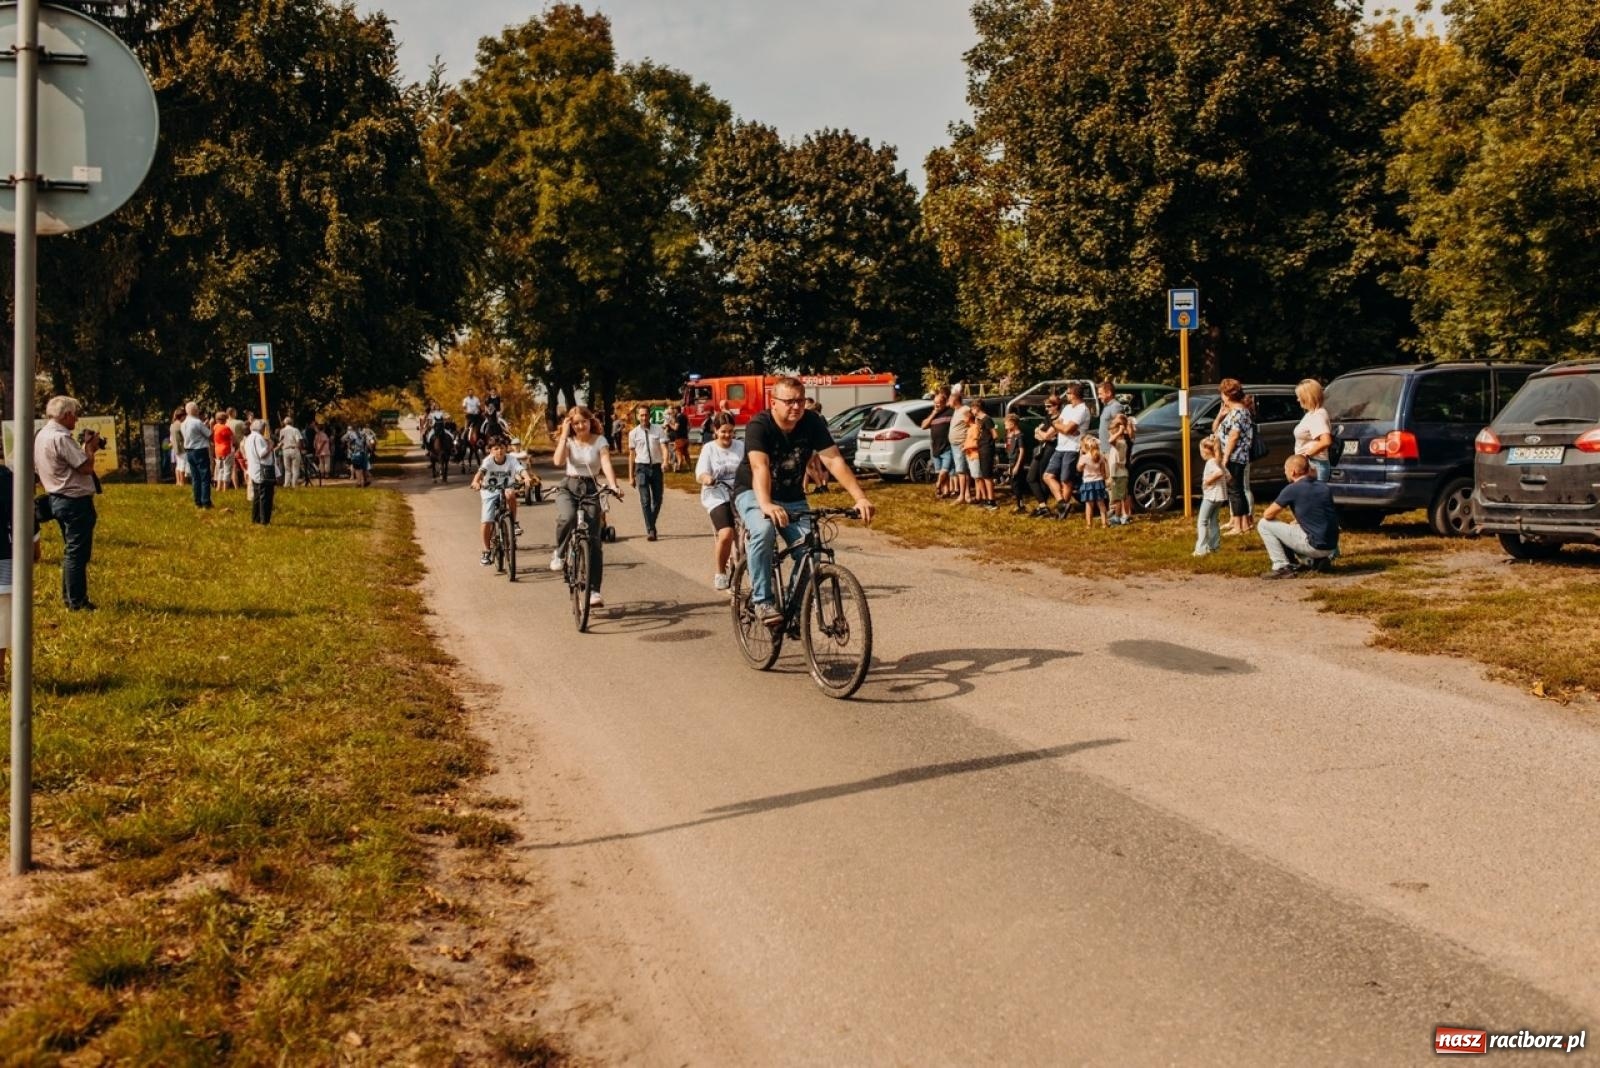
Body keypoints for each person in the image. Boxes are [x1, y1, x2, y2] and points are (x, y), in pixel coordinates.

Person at [733, 376, 876, 628]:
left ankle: (796, 610)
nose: (796, 407)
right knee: (763, 531)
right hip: (754, 492)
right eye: (789, 402)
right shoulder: (760, 424)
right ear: (773, 402)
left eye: (800, 400)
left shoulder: (812, 422)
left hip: (792, 497)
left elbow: (833, 460)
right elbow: (759, 466)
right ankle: (762, 601)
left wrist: (860, 498)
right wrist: (765, 504)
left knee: (812, 551)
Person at [549, 405, 623, 608]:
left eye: (584, 421)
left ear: (591, 421)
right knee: (568, 516)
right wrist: (564, 434)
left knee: (594, 541)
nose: (581, 425)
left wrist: (614, 485)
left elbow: (606, 463)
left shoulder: (600, 441)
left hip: (591, 488)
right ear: (570, 425)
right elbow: (558, 461)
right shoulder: (569, 440)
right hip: (569, 486)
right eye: (576, 423)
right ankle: (560, 552)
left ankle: (594, 591)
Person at [35, 396, 101, 611]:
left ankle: (70, 597)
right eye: (75, 414)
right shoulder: (61, 438)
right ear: (66, 415)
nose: (77, 418)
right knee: (77, 553)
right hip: (74, 501)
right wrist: (89, 448)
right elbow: (84, 467)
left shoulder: (42, 435)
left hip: (56, 497)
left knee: (71, 550)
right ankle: (77, 602)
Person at [1258, 454, 1340, 578]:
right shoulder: (1323, 487)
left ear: (1293, 471)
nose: (1285, 473)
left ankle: (1282, 566)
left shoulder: (1292, 489)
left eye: (1285, 470)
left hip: (1314, 545)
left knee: (1264, 524)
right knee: (1293, 527)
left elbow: (1268, 514)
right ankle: (1316, 561)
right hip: (1331, 546)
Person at [0, 456, 41, 674]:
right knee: (2, 618)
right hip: (4, 560)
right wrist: (35, 547)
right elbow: (25, 517)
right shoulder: (8, 480)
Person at [696, 413, 745, 590]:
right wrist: (707, 478)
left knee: (753, 532)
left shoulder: (741, 446)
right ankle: (720, 573)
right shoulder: (709, 448)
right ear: (715, 430)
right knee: (726, 533)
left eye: (731, 431)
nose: (727, 435)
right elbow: (700, 473)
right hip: (717, 495)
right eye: (723, 431)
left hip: (740, 494)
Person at [472, 435, 530, 565]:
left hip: (506, 488)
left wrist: (526, 478)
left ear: (506, 448)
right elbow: (480, 473)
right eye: (496, 448)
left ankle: (513, 523)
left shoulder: (511, 459)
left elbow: (521, 469)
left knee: (510, 495)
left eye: (502, 448)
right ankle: (486, 551)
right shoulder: (488, 461)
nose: (499, 451)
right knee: (487, 521)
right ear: (491, 450)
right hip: (489, 490)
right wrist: (476, 482)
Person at [1214, 379, 1255, 534]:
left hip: (1235, 457)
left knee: (1235, 491)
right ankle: (1244, 524)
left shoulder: (1238, 411)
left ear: (1227, 395)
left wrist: (1225, 458)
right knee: (1237, 490)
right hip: (1237, 456)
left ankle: (1237, 526)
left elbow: (1234, 435)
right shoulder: (1237, 410)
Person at [1043, 383, 1090, 516]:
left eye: (1068, 393)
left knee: (1066, 480)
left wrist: (1060, 426)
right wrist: (1059, 426)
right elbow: (1060, 425)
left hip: (1073, 448)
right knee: (1047, 476)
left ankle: (1062, 511)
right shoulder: (1068, 408)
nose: (1066, 395)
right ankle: (1062, 503)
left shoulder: (1082, 410)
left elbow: (1068, 429)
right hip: (1061, 446)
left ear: (1074, 394)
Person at [627, 405, 667, 541]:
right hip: (641, 468)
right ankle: (651, 530)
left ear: (650, 415)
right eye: (641, 415)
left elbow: (664, 447)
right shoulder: (633, 433)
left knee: (658, 499)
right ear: (638, 417)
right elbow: (631, 455)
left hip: (656, 468)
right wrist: (630, 476)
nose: (644, 418)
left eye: (646, 415)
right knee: (645, 501)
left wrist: (665, 461)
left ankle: (651, 524)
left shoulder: (658, 430)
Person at [1293, 378, 1335, 482]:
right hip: (1312, 464)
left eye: (1299, 396)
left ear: (1307, 397)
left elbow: (1326, 441)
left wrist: (1306, 455)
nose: (1298, 400)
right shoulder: (1311, 414)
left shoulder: (1317, 415)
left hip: (1315, 465)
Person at [1193, 436, 1229, 556]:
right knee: (1213, 521)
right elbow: (1228, 476)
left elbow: (1219, 473)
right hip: (1220, 496)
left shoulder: (1211, 462)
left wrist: (1208, 481)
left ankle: (1201, 549)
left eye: (1201, 451)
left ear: (1206, 451)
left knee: (1202, 522)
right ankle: (1214, 546)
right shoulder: (1219, 461)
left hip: (1211, 496)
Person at [963, 395, 997, 509]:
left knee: (987, 476)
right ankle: (987, 499)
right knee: (984, 475)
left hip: (987, 449)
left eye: (972, 408)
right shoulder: (979, 420)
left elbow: (995, 434)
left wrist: (987, 443)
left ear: (977, 408)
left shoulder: (987, 419)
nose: (972, 411)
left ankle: (992, 501)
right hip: (981, 449)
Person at [921, 388, 955, 499]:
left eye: (939, 403)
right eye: (935, 403)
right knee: (939, 471)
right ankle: (945, 491)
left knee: (944, 471)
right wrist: (934, 412)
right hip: (935, 447)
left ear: (945, 402)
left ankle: (938, 485)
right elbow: (923, 426)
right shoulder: (933, 413)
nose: (937, 405)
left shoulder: (950, 412)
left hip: (947, 447)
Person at [243, 419, 277, 525]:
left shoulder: (249, 438)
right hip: (263, 469)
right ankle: (264, 520)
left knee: (258, 496)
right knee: (266, 496)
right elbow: (262, 453)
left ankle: (256, 518)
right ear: (261, 428)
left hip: (255, 469)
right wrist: (270, 446)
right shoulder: (258, 438)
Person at [1077, 435, 1110, 528]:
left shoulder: (1084, 457)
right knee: (1101, 503)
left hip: (1088, 483)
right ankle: (1104, 523)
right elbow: (1103, 472)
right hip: (1099, 482)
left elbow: (1079, 469)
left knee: (1089, 504)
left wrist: (1080, 455)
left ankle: (1089, 524)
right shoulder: (1101, 456)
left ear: (1085, 447)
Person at [1107, 413, 1134, 525]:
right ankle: (1124, 516)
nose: (1110, 432)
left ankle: (1118, 517)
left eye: (1112, 430)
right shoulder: (1120, 443)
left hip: (1119, 474)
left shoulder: (1120, 443)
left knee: (1118, 497)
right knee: (1121, 496)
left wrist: (1119, 431)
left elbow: (1110, 440)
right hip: (1118, 474)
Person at [946, 385, 972, 503]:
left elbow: (971, 426)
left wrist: (966, 442)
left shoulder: (965, 410)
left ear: (955, 400)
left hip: (961, 445)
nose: (948, 402)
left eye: (950, 399)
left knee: (961, 471)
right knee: (962, 471)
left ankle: (962, 495)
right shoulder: (956, 411)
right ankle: (966, 494)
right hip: (954, 445)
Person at [1096, 380, 1126, 448]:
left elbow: (1120, 429)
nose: (1099, 396)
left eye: (1100, 394)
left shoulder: (1115, 406)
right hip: (1104, 449)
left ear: (1109, 393)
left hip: (1112, 449)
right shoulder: (1106, 406)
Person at [212, 411, 236, 492]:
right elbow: (233, 438)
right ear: (225, 419)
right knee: (227, 469)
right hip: (226, 450)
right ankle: (225, 488)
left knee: (220, 469)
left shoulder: (215, 427)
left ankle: (218, 487)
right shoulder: (226, 428)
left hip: (218, 451)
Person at [278, 417, 304, 488]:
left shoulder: (282, 431)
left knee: (287, 469)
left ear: (284, 423)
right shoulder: (295, 430)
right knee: (295, 469)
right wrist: (300, 449)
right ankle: (294, 484)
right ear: (291, 422)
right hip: (294, 449)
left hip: (285, 450)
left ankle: (286, 484)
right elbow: (298, 441)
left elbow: (281, 442)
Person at [667, 404, 691, 472]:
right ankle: (689, 467)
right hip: (686, 438)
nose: (673, 411)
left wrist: (670, 424)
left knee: (679, 453)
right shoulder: (685, 416)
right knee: (686, 454)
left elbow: (676, 428)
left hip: (679, 438)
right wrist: (686, 431)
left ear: (677, 410)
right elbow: (690, 426)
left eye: (674, 409)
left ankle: (679, 468)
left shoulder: (678, 417)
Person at [169, 407, 188, 486]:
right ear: (182, 416)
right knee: (182, 465)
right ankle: (182, 482)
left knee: (178, 465)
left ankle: (178, 481)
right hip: (182, 447)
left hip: (175, 448)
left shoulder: (172, 425)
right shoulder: (181, 425)